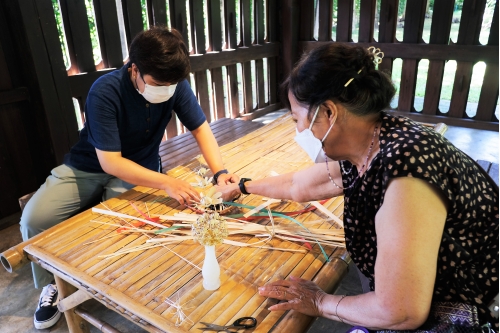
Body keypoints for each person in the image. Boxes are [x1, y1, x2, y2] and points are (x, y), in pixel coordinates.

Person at [217, 43, 498, 332]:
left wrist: (321, 302)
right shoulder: (372, 140)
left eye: (298, 120)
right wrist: (242, 186)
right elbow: (299, 184)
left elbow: (400, 312)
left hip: (464, 311)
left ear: (328, 112)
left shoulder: (405, 174)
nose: (299, 132)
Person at [20, 26, 238, 329]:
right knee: (34, 218)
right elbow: (110, 162)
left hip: (142, 167)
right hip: (88, 164)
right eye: (159, 83)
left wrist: (221, 172)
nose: (166, 89)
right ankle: (50, 285)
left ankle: (112, 279)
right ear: (134, 68)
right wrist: (167, 182)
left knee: (121, 223)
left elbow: (200, 128)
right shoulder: (105, 91)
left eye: (172, 84)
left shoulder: (173, 85)